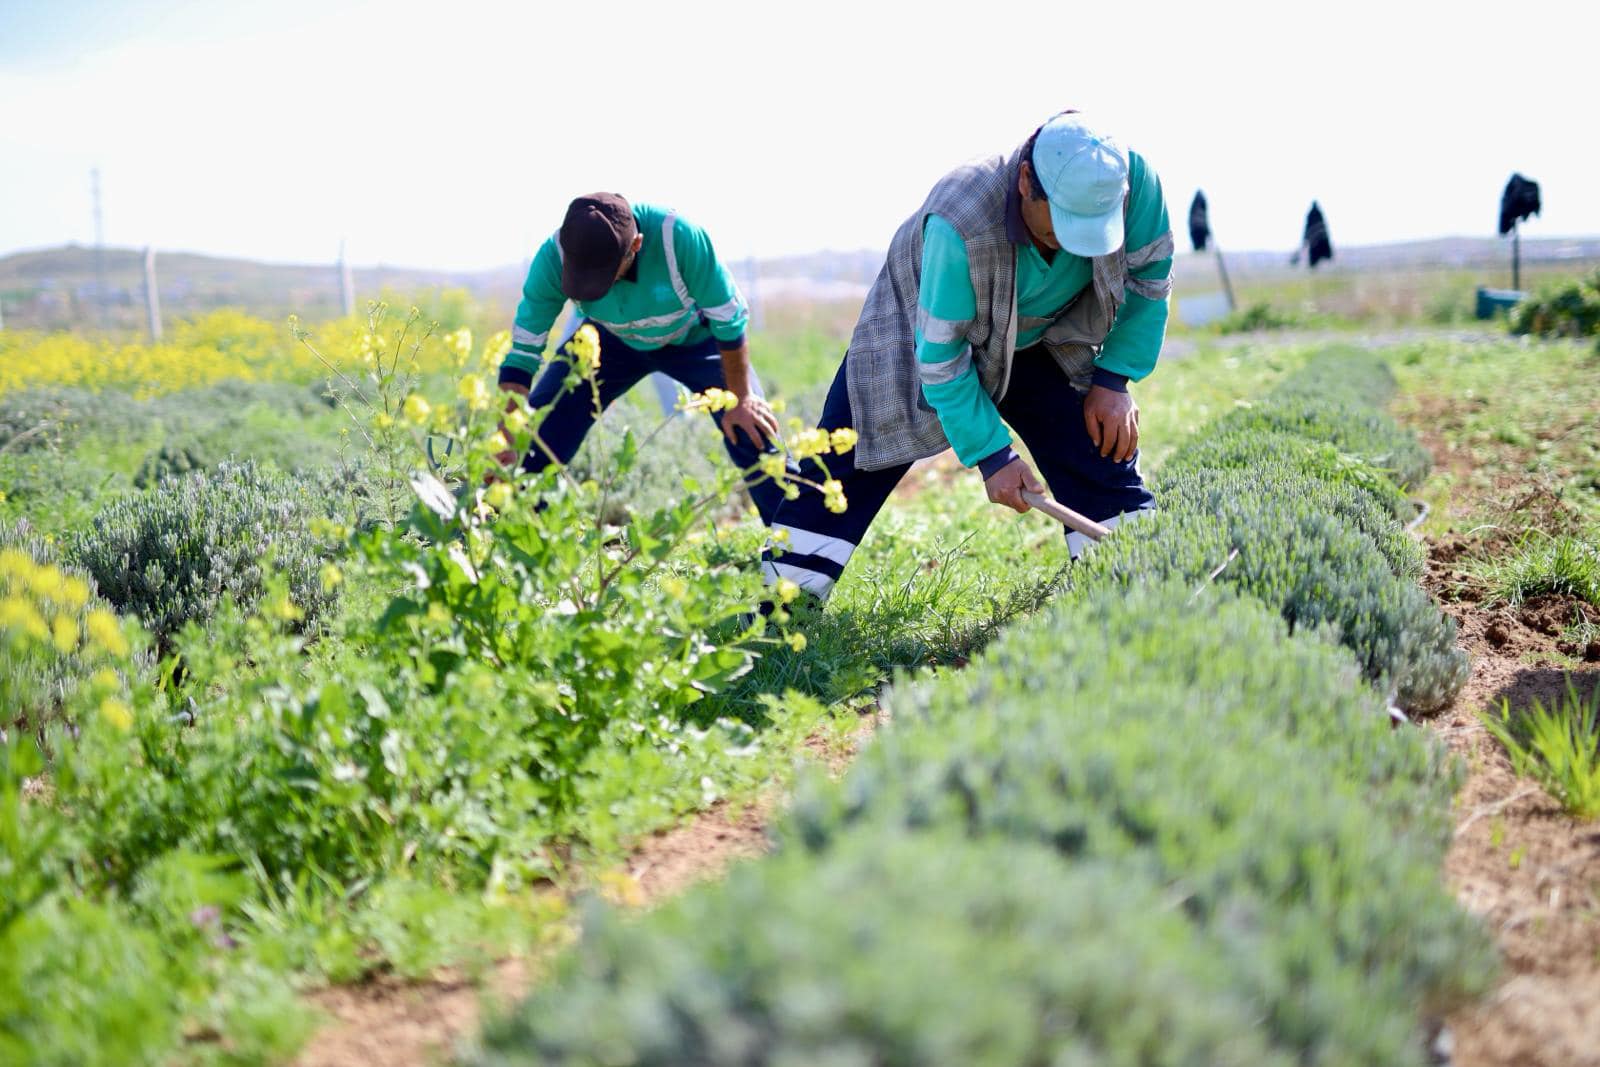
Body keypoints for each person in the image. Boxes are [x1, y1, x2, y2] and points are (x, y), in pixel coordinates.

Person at [763, 111, 1172, 600]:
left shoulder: (1132, 183)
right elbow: (940, 359)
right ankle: (781, 612)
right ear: (1026, 181)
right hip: (920, 333)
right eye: (1061, 227)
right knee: (849, 459)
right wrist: (993, 456)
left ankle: (1135, 588)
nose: (1070, 245)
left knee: (1098, 444)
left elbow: (1150, 282)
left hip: (1044, 334)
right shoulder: (960, 219)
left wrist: (1114, 379)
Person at [495, 192, 790, 520]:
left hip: (695, 338)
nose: (596, 286)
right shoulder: (554, 257)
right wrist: (507, 433)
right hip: (610, 340)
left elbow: (728, 319)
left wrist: (742, 398)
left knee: (752, 429)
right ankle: (516, 539)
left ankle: (797, 549)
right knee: (528, 440)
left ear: (635, 245)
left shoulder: (678, 238)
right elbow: (523, 352)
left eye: (605, 276)